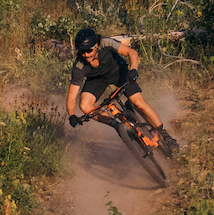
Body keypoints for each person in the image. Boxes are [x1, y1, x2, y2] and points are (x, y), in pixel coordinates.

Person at [64, 27, 179, 155]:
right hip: (96, 79)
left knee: (139, 103)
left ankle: (167, 137)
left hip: (118, 71)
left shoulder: (106, 43)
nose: (86, 55)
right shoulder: (79, 66)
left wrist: (133, 70)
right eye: (82, 52)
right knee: (84, 106)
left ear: (96, 45)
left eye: (89, 50)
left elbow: (132, 52)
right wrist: (71, 115)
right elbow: (71, 96)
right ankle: (116, 124)